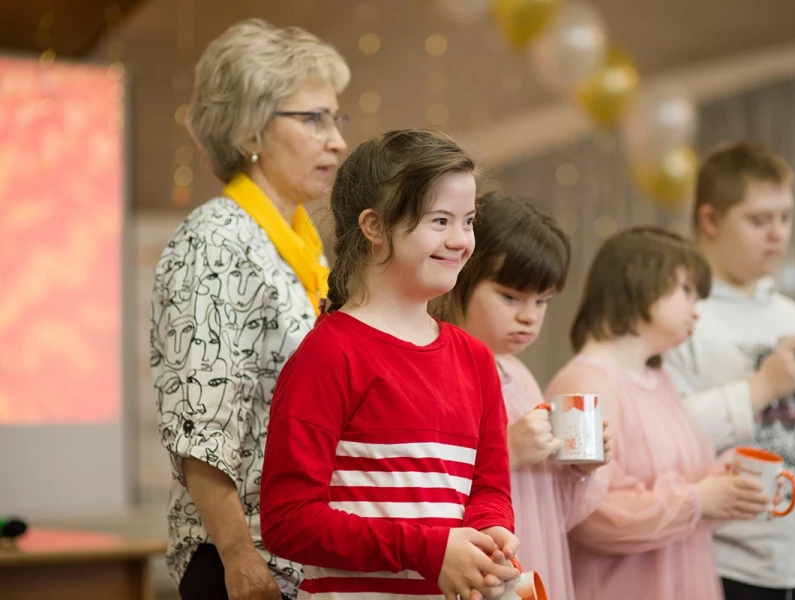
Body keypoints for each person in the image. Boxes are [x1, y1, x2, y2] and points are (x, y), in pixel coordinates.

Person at [259, 129, 520, 600]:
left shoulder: (476, 359)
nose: (461, 240)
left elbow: (490, 490)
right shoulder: (329, 354)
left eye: (469, 220)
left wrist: (490, 535)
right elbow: (288, 520)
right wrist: (427, 550)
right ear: (374, 227)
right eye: (440, 221)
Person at [149, 18, 350, 600]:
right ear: (250, 129)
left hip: (301, 555)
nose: (336, 139)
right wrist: (239, 555)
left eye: (336, 119)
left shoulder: (300, 242)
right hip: (243, 563)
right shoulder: (216, 240)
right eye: (314, 118)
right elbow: (198, 424)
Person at [664, 141, 795, 600]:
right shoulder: (683, 315)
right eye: (759, 220)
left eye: (785, 217)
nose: (777, 235)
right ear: (710, 220)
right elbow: (666, 434)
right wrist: (762, 386)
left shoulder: (792, 314)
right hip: (726, 564)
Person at [546, 227, 773, 600]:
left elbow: (690, 485)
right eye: (686, 291)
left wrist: (731, 486)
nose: (695, 312)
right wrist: (698, 499)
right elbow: (588, 516)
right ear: (640, 279)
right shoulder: (584, 384)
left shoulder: (659, 381)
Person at [435, 192, 610, 600]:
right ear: (461, 276)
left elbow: (553, 514)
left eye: (542, 301)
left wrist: (580, 467)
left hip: (535, 563)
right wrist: (507, 450)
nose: (529, 316)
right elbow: (422, 491)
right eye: (510, 297)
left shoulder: (518, 373)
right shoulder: (441, 371)